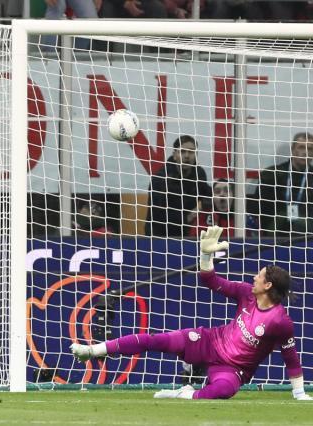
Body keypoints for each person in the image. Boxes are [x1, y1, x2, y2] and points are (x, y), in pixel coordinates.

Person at [71, 226, 312, 400]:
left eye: (258, 276)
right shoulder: (245, 293)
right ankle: (91, 351)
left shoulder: (280, 321)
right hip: (209, 341)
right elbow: (210, 280)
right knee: (155, 340)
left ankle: (184, 393)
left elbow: (290, 357)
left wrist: (300, 393)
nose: (254, 278)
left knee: (225, 390)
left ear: (268, 285)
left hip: (232, 369)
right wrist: (206, 256)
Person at [146, 135, 212, 237]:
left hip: (187, 233)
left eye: (191, 152)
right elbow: (157, 216)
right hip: (159, 235)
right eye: (182, 151)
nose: (187, 156)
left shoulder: (199, 174)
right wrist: (189, 217)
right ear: (174, 155)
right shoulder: (160, 179)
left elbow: (208, 195)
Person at [252, 132, 313, 239]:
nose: (305, 152)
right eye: (301, 147)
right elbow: (260, 208)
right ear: (292, 150)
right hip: (275, 236)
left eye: (310, 149)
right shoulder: (271, 174)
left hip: (308, 237)